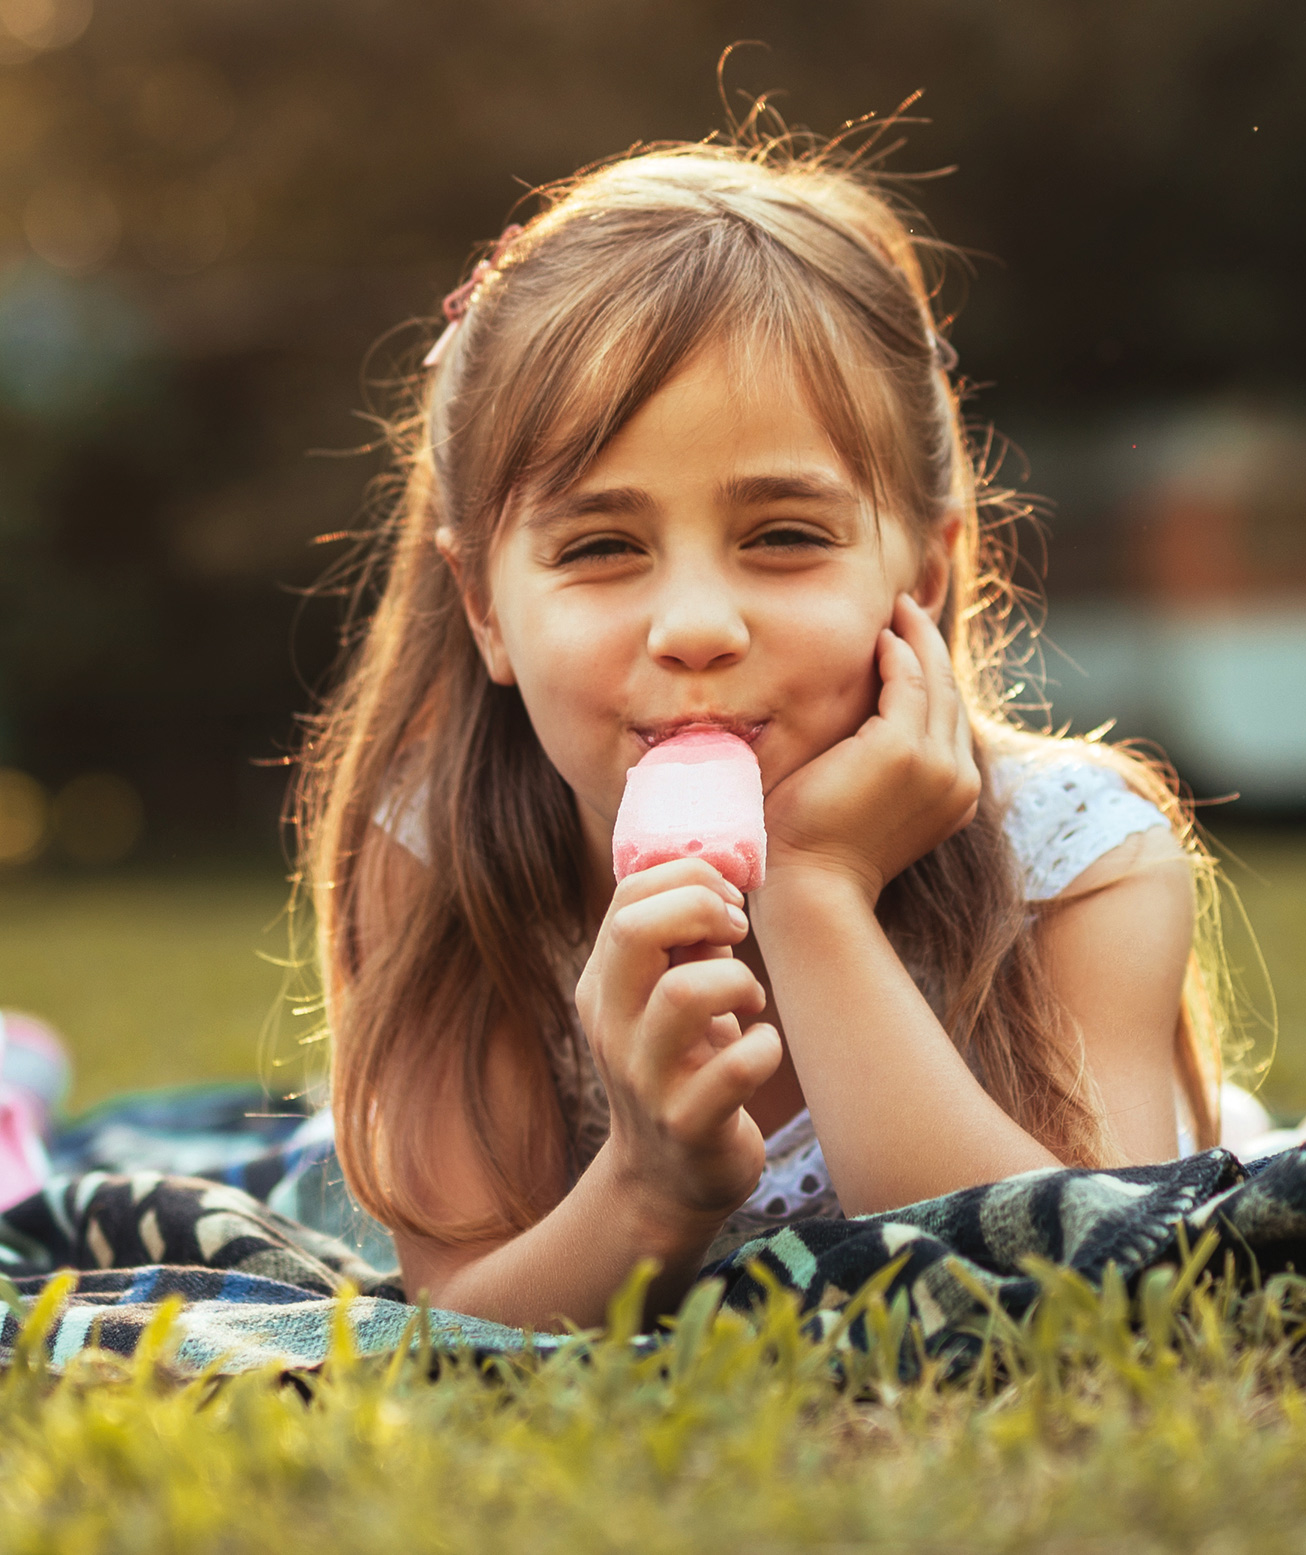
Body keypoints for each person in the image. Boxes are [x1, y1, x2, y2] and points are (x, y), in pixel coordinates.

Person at [295, 129, 1236, 1333]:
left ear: (927, 569)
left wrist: (813, 892)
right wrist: (649, 1187)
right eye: (599, 548)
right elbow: (458, 1316)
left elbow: (1085, 1296)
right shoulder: (444, 856)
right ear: (484, 605)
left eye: (785, 535)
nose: (695, 625)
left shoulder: (1086, 861)